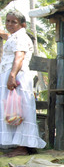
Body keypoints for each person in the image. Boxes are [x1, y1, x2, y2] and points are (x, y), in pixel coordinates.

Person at [0, 10, 46, 157]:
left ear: (22, 24)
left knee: (21, 110)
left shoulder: (20, 36)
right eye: (7, 21)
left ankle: (23, 146)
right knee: (12, 109)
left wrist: (12, 76)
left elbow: (19, 57)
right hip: (12, 75)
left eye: (13, 22)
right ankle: (22, 144)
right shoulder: (14, 37)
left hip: (17, 76)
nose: (9, 24)